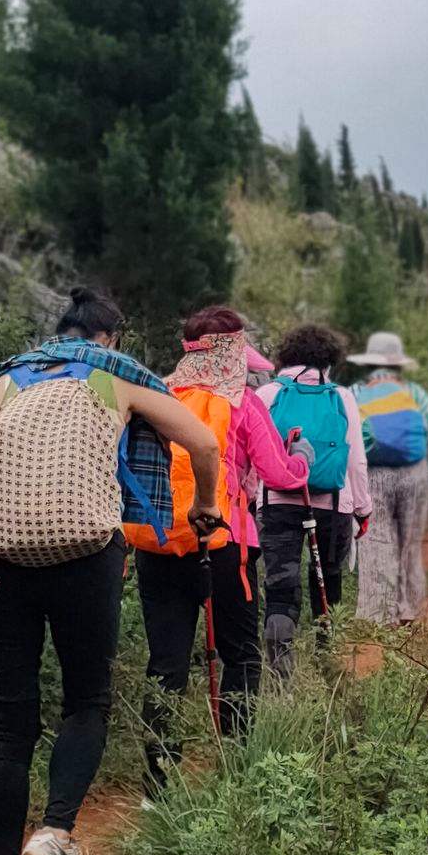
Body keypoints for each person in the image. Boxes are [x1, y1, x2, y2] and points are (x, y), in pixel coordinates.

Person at [0, 288, 220, 855]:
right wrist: (204, 505)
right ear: (109, 340)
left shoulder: (8, 380)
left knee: (10, 718)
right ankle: (57, 832)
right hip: (87, 556)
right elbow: (203, 445)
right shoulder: (114, 376)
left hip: (9, 554)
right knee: (86, 699)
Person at [134, 306, 311, 792]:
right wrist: (300, 461)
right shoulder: (244, 404)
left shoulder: (157, 396)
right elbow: (278, 474)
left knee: (165, 663)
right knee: (240, 655)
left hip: (159, 542)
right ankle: (236, 764)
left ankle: (157, 783)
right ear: (232, 354)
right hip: (224, 545)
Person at [256, 323, 372, 669]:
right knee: (329, 579)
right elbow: (356, 460)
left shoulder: (269, 394)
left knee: (280, 585)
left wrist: (252, 502)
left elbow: (252, 455)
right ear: (329, 359)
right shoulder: (342, 396)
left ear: (287, 355)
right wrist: (363, 510)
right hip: (334, 505)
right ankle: (326, 659)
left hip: (277, 502)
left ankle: (281, 668)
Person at [349, 329, 428, 626]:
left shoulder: (354, 392)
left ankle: (377, 616)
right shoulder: (414, 392)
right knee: (410, 543)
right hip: (413, 473)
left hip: (372, 472)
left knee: (376, 541)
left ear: (367, 363)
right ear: (399, 364)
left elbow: (350, 436)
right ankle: (410, 611)